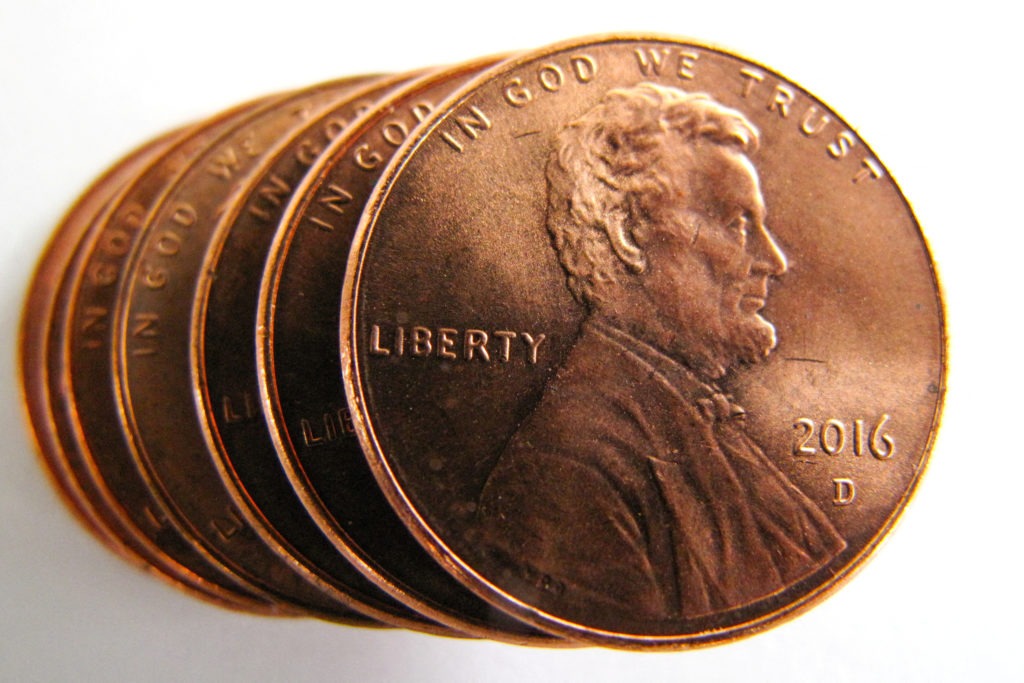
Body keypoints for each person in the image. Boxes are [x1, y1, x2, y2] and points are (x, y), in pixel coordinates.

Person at [475, 83, 846, 629]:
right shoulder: (568, 474)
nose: (775, 260)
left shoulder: (691, 422)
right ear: (627, 234)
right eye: (738, 224)